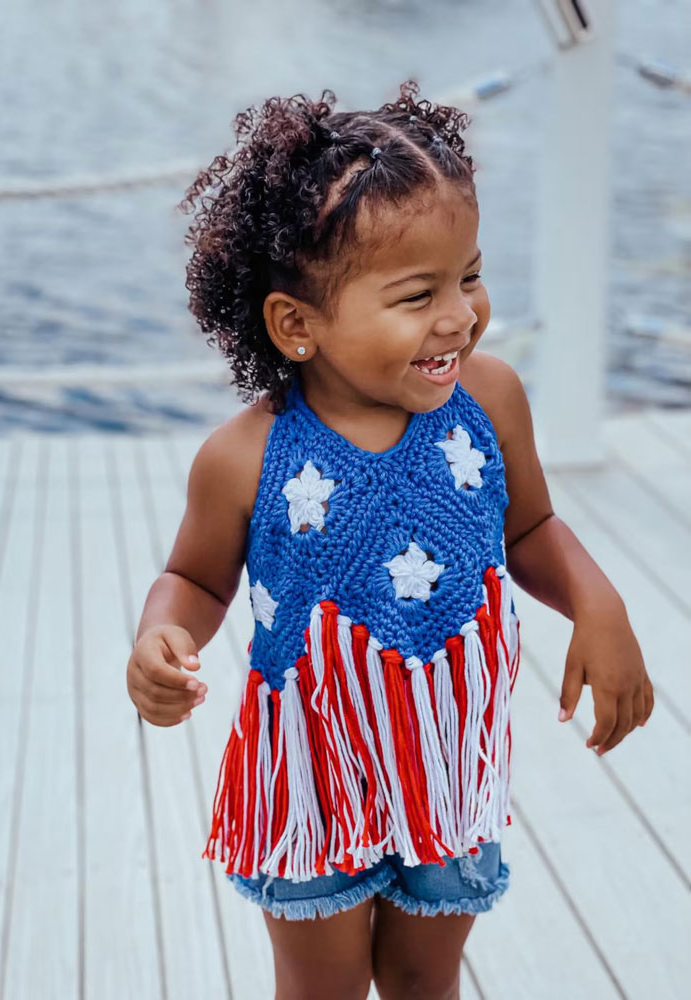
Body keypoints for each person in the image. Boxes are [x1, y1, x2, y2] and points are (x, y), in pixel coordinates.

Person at [126, 80, 653, 1000]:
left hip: (450, 762)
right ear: (298, 324)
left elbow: (529, 526)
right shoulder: (244, 457)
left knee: (423, 979)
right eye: (417, 295)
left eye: (471, 276)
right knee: (321, 989)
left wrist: (596, 602)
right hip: (313, 768)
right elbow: (194, 580)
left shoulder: (488, 400)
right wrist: (161, 635)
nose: (459, 316)